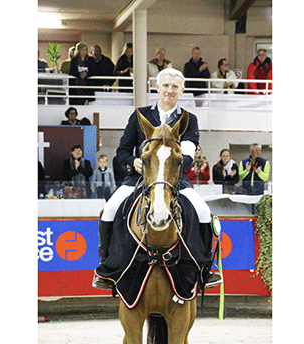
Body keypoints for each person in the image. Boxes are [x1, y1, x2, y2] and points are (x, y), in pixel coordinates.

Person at [93, 67, 222, 290]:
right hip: (139, 178)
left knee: (204, 212)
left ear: (182, 90)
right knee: (110, 209)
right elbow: (122, 150)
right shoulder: (139, 115)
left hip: (174, 179)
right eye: (165, 86)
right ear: (157, 87)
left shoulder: (189, 119)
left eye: (174, 87)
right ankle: (106, 268)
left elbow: (189, 152)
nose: (169, 90)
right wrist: (132, 161)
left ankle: (205, 268)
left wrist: (172, 168)